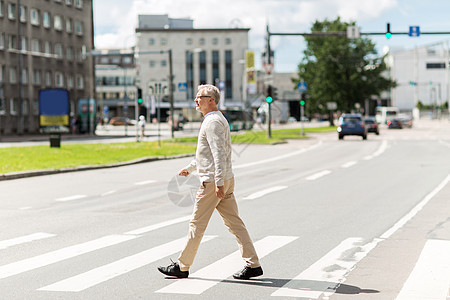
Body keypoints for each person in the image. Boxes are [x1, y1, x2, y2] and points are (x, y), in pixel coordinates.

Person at [157, 84, 262, 280]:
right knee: (235, 224)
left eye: (200, 97)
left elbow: (218, 154)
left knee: (197, 224)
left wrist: (218, 183)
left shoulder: (212, 122)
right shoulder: (216, 119)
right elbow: (208, 154)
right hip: (224, 178)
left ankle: (182, 266)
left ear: (211, 100)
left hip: (214, 182)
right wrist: (190, 168)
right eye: (196, 97)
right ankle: (253, 264)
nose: (196, 100)